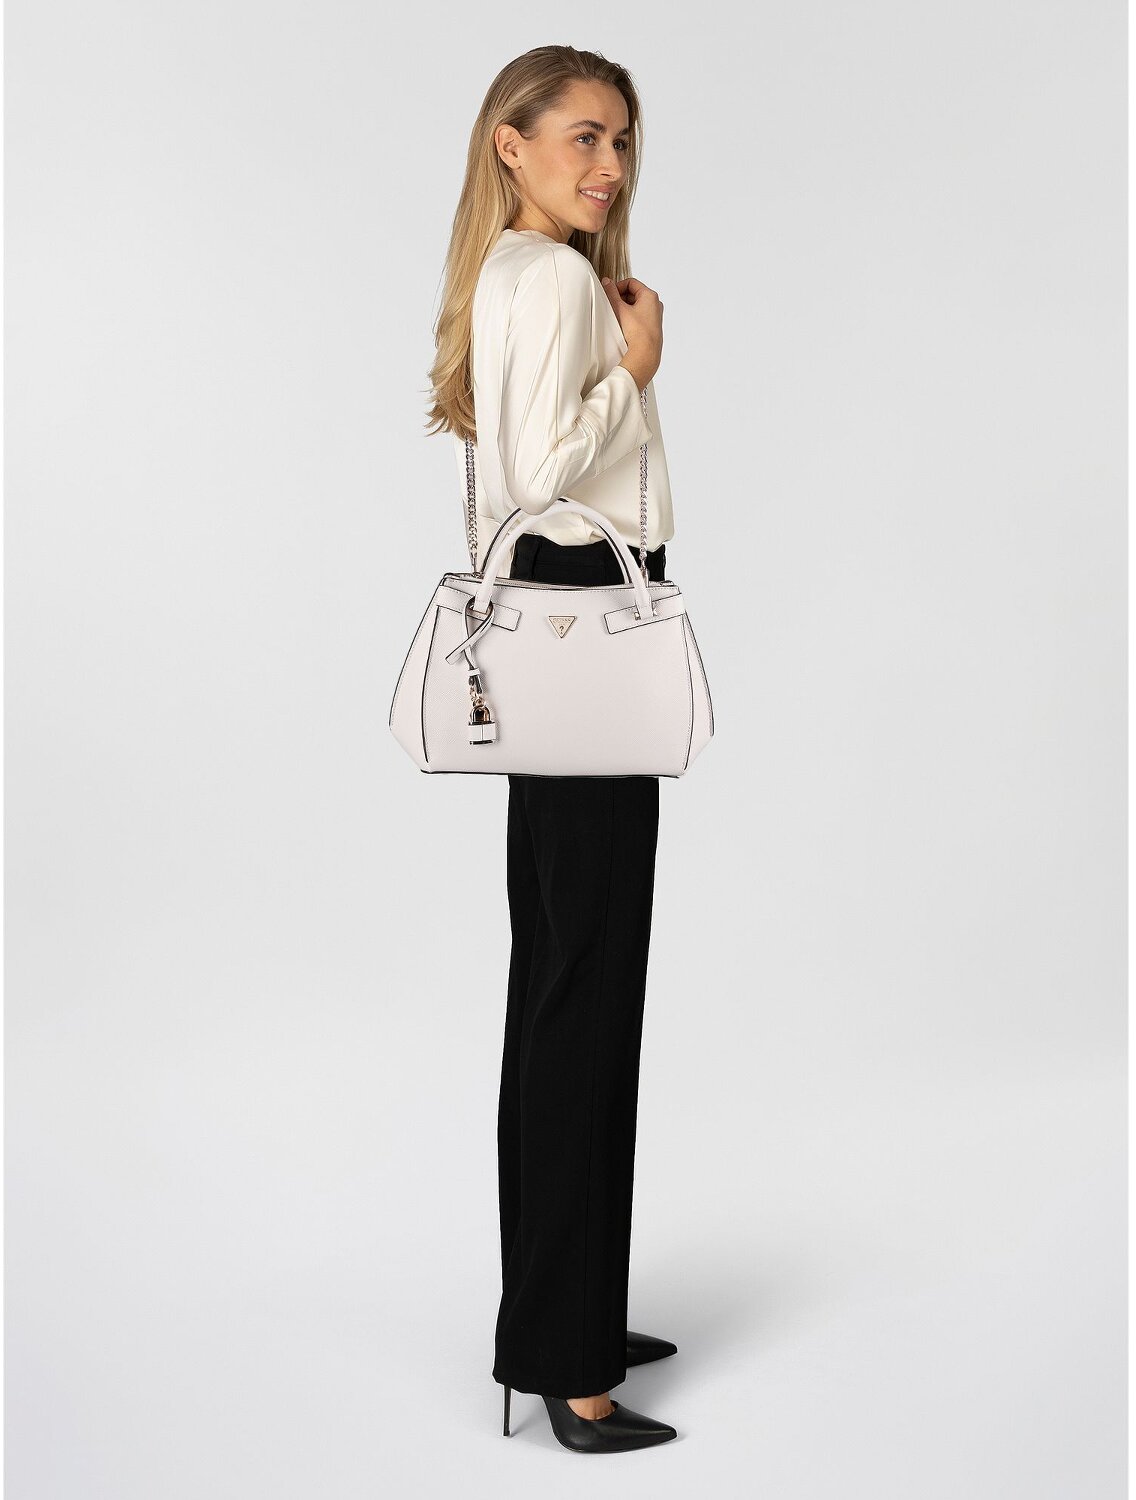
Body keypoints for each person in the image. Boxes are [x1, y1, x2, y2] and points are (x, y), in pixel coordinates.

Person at [425, 46, 681, 1455]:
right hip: (586, 621)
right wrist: (632, 377)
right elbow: (542, 475)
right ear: (509, 145)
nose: (610, 167)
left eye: (622, 142)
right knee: (586, 987)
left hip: (552, 634)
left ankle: (563, 1308)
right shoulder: (558, 284)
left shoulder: (514, 274)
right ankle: (572, 1364)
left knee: (563, 977)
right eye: (584, 137)